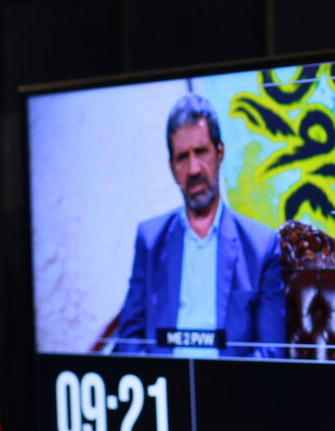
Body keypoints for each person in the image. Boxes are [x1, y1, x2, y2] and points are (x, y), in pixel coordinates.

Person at [116, 94, 286, 357]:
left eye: (201, 152)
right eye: (182, 157)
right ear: (172, 168)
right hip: (165, 379)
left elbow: (271, 352)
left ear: (220, 153)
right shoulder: (150, 240)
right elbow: (128, 340)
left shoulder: (260, 247)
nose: (193, 168)